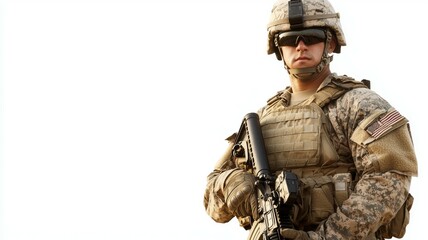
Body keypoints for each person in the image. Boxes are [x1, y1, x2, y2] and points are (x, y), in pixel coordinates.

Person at [203, 0, 418, 239]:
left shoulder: (359, 104)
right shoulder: (261, 120)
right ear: (278, 48)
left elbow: (389, 181)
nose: (301, 46)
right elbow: (213, 202)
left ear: (330, 42)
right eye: (289, 39)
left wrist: (323, 237)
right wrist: (232, 183)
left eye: (312, 37)